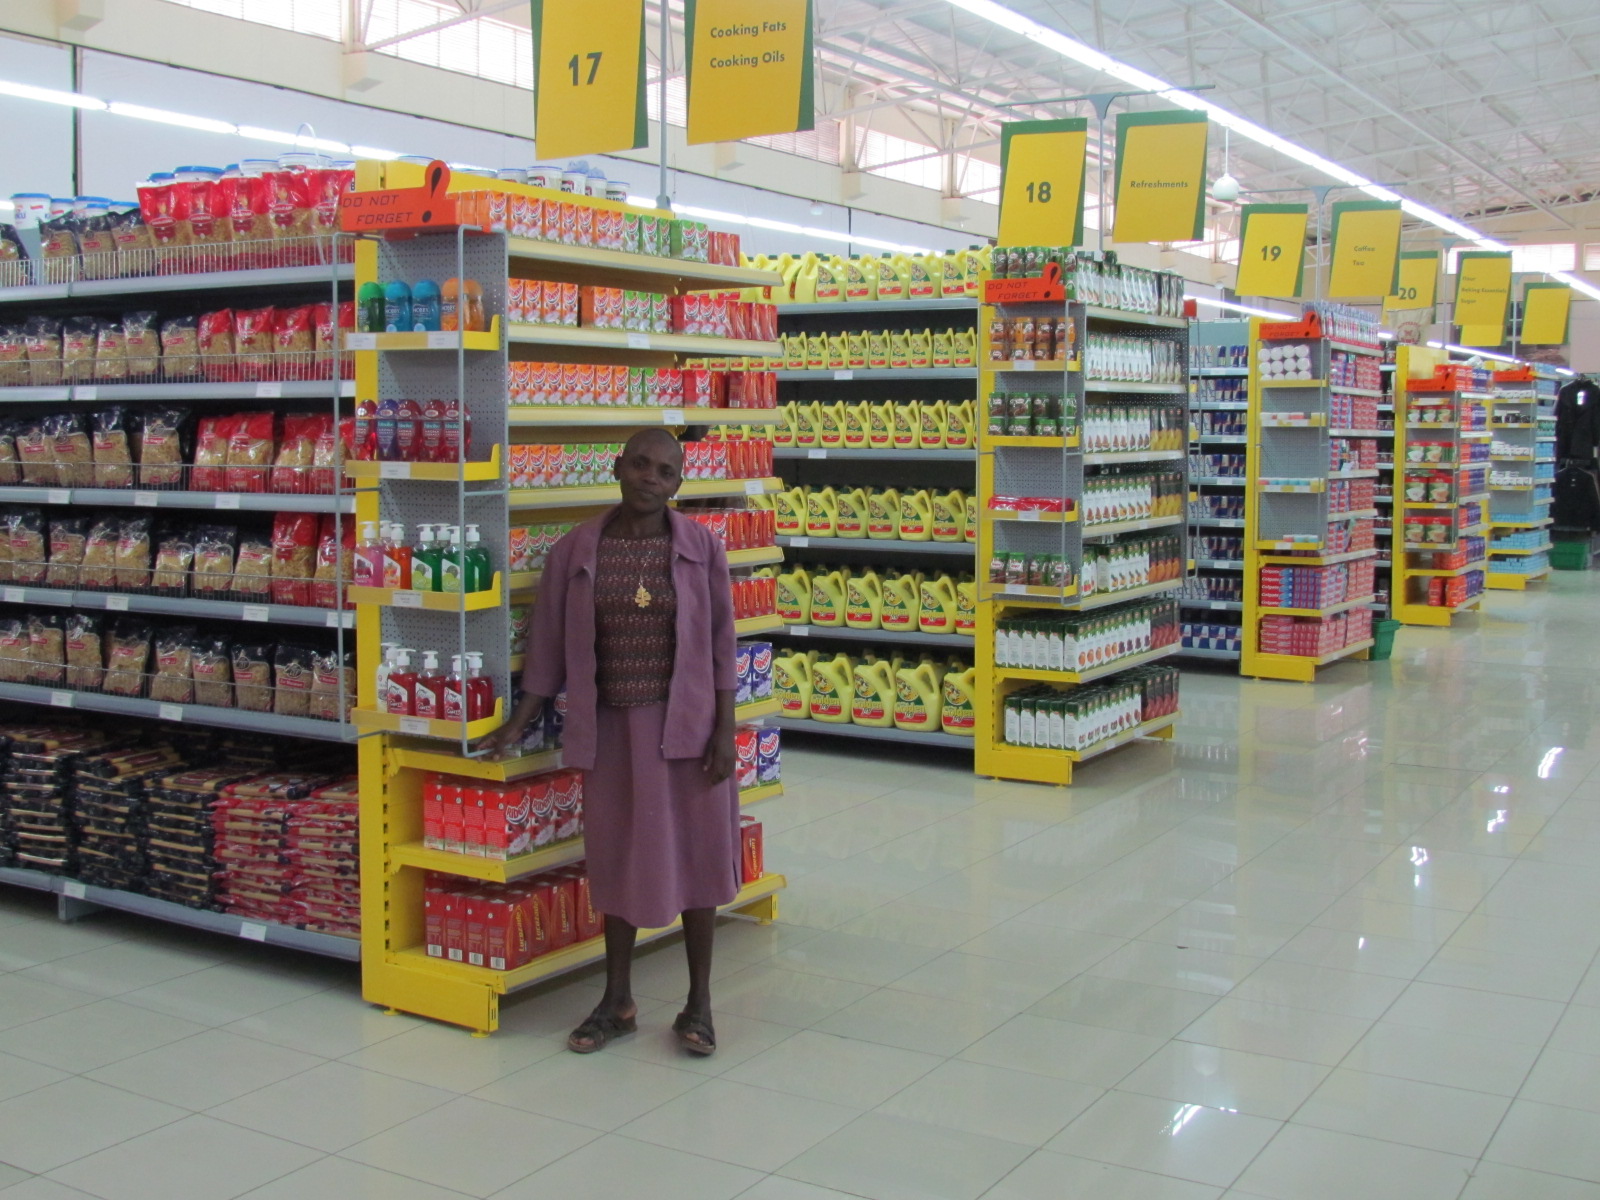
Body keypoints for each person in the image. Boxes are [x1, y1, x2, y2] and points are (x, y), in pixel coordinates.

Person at [483, 427, 739, 1056]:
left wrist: (726, 731)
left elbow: (721, 644)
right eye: (641, 465)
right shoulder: (575, 551)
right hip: (612, 731)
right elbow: (547, 643)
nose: (651, 478)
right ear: (617, 467)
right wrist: (521, 719)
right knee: (618, 858)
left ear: (679, 484)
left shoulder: (701, 547)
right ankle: (616, 1000)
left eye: (666, 472)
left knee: (698, 859)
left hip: (689, 728)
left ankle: (699, 1004)